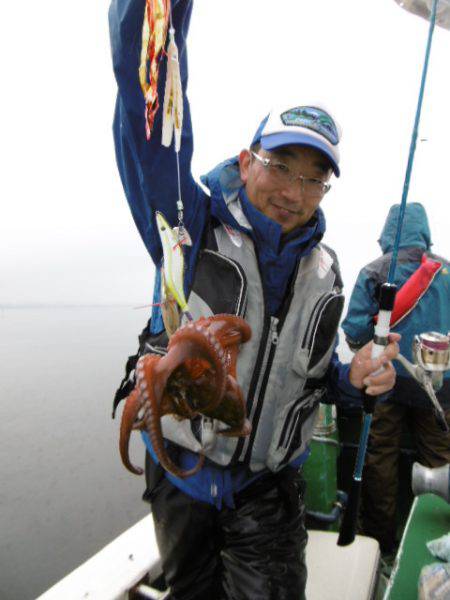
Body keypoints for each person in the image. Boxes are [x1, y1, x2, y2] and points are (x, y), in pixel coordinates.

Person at [109, 1, 399, 598]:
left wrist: (356, 379)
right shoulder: (189, 227)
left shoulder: (328, 275)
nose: (294, 191)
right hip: (183, 482)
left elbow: (314, 378)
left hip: (267, 493)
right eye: (280, 165)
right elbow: (151, 127)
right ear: (246, 162)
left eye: (313, 177)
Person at [342, 202, 450, 559]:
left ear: (388, 232)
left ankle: (380, 544)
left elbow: (355, 329)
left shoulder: (374, 271)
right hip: (439, 387)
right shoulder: (446, 272)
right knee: (439, 462)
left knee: (379, 462)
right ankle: (435, 546)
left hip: (386, 382)